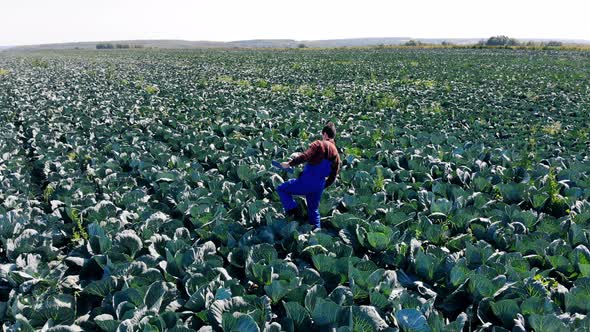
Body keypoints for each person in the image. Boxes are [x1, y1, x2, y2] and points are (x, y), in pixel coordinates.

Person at [276, 122, 341, 229]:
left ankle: (294, 212)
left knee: (282, 189)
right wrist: (321, 185)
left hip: (307, 180)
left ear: (324, 134)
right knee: (313, 210)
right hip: (319, 185)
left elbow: (305, 156)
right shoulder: (336, 154)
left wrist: (289, 164)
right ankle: (317, 233)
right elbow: (333, 176)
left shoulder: (319, 144)